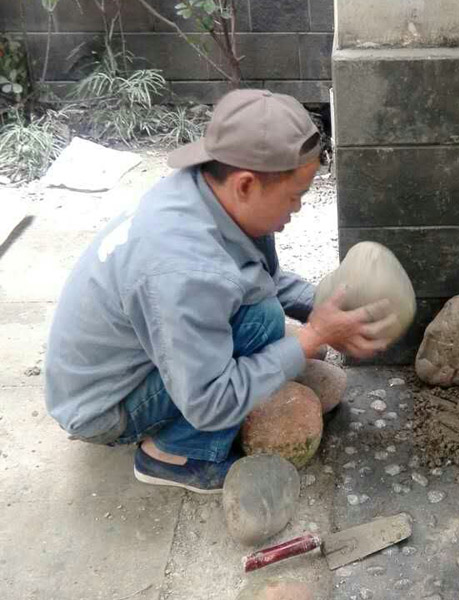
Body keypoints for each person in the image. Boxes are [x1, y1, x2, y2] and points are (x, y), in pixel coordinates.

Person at [44, 89, 396, 493]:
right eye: (295, 196)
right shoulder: (187, 270)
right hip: (104, 407)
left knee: (261, 316)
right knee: (261, 323)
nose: (298, 208)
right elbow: (210, 402)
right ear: (246, 185)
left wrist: (323, 308)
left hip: (117, 363)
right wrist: (310, 340)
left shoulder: (203, 193)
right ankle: (175, 453)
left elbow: (258, 276)